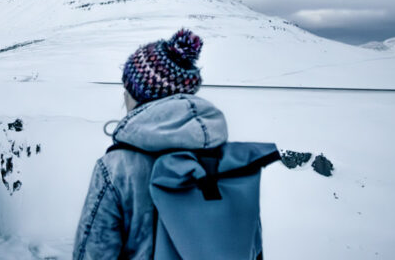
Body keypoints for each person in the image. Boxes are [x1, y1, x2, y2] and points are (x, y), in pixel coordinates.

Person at [73, 29, 272, 259]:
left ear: (139, 95)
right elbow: (253, 249)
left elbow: (92, 252)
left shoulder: (117, 167)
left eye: (126, 88)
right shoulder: (230, 164)